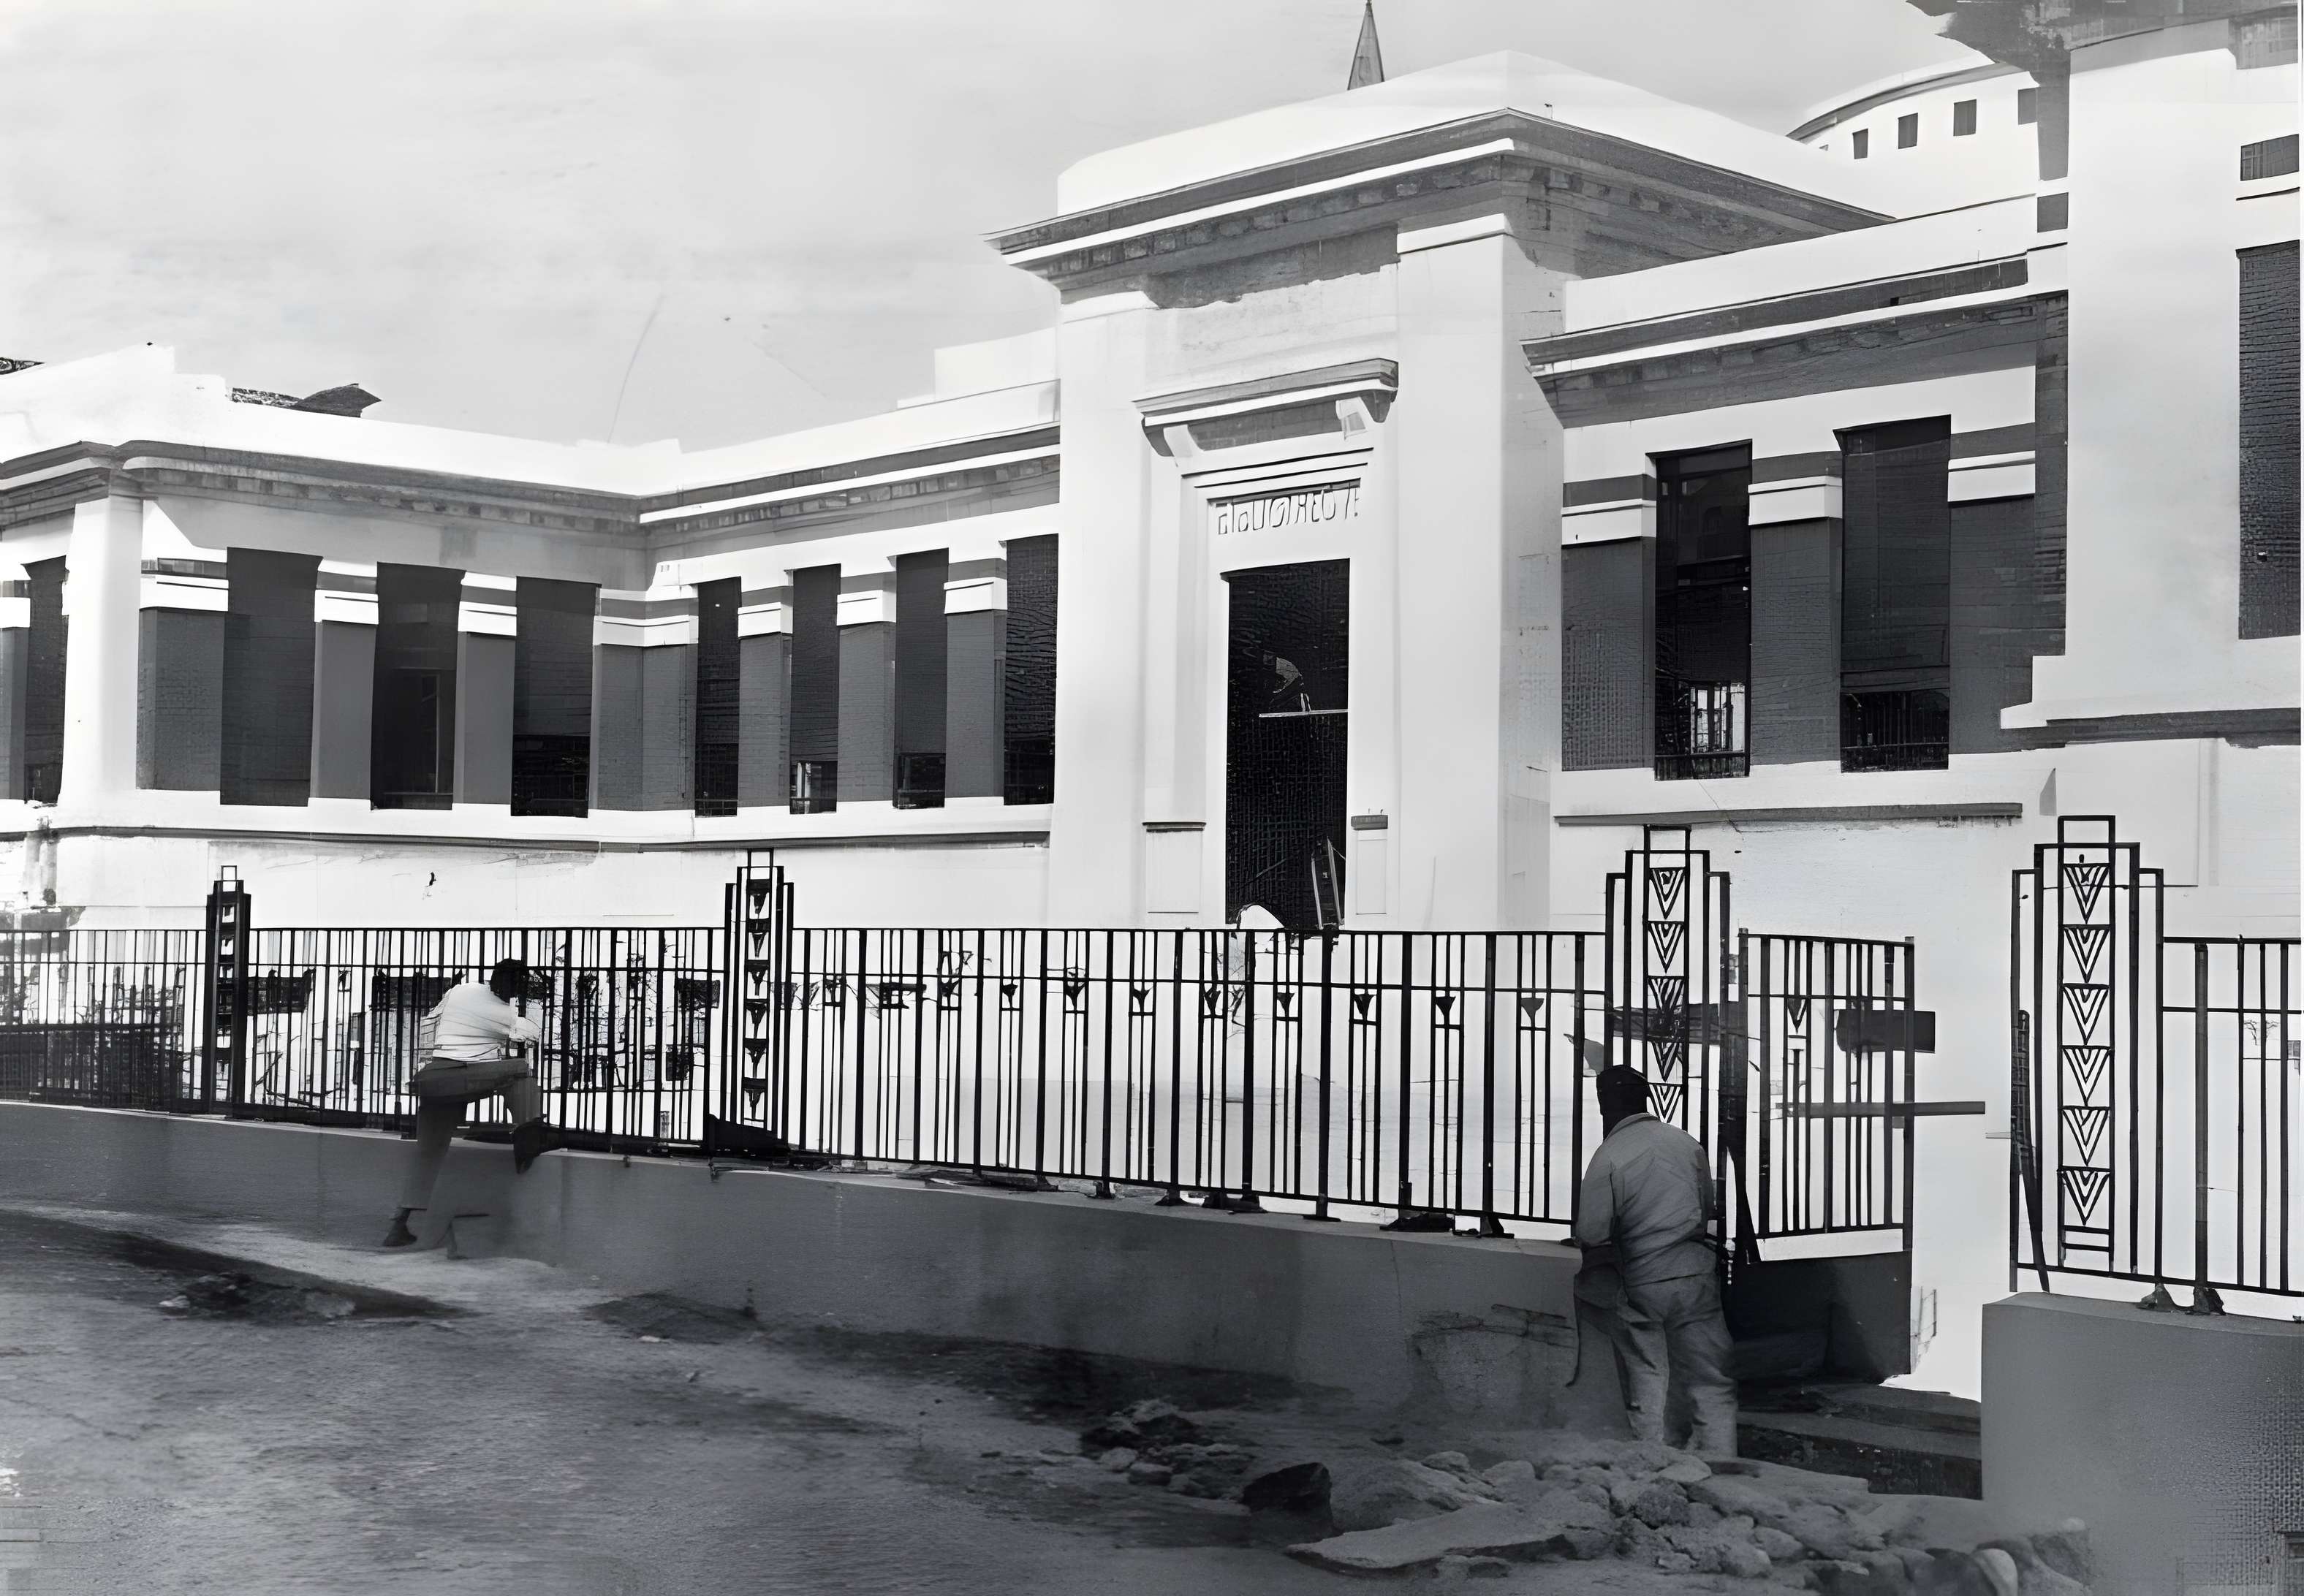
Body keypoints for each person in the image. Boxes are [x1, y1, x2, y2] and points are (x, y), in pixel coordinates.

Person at [1572, 1063, 1738, 1456]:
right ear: (1645, 1099)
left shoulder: (1609, 1155)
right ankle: (1719, 1461)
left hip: (1644, 1280)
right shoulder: (1686, 1143)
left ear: (1604, 1106)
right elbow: (1705, 1208)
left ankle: (1651, 1460)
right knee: (1709, 1375)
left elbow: (1591, 1233)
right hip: (1696, 1274)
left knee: (1647, 1371)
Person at [382, 959, 553, 1248]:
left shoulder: (461, 990)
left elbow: (431, 1018)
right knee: (520, 1071)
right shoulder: (502, 1011)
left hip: (434, 1078)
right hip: (461, 1076)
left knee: (429, 1154)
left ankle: (399, 1225)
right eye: (518, 986)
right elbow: (532, 1035)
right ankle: (530, 1131)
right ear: (514, 985)